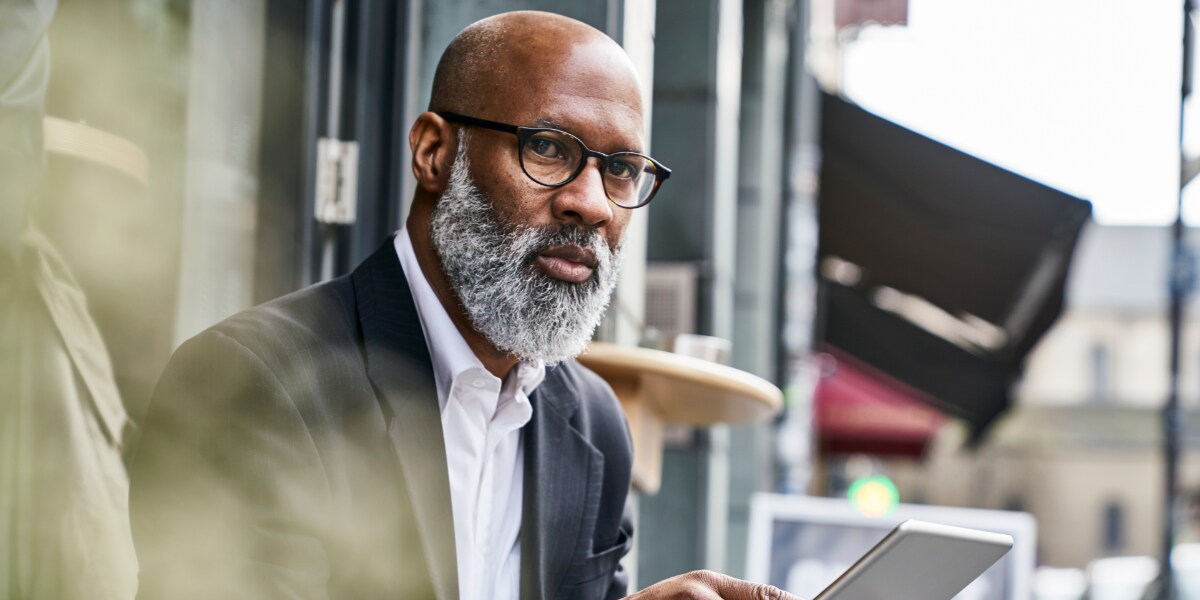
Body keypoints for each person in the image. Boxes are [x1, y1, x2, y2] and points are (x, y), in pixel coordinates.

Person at [130, 10, 798, 600]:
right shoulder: (252, 383)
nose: (591, 204)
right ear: (433, 153)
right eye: (547, 148)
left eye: (620, 169)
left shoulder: (595, 428)